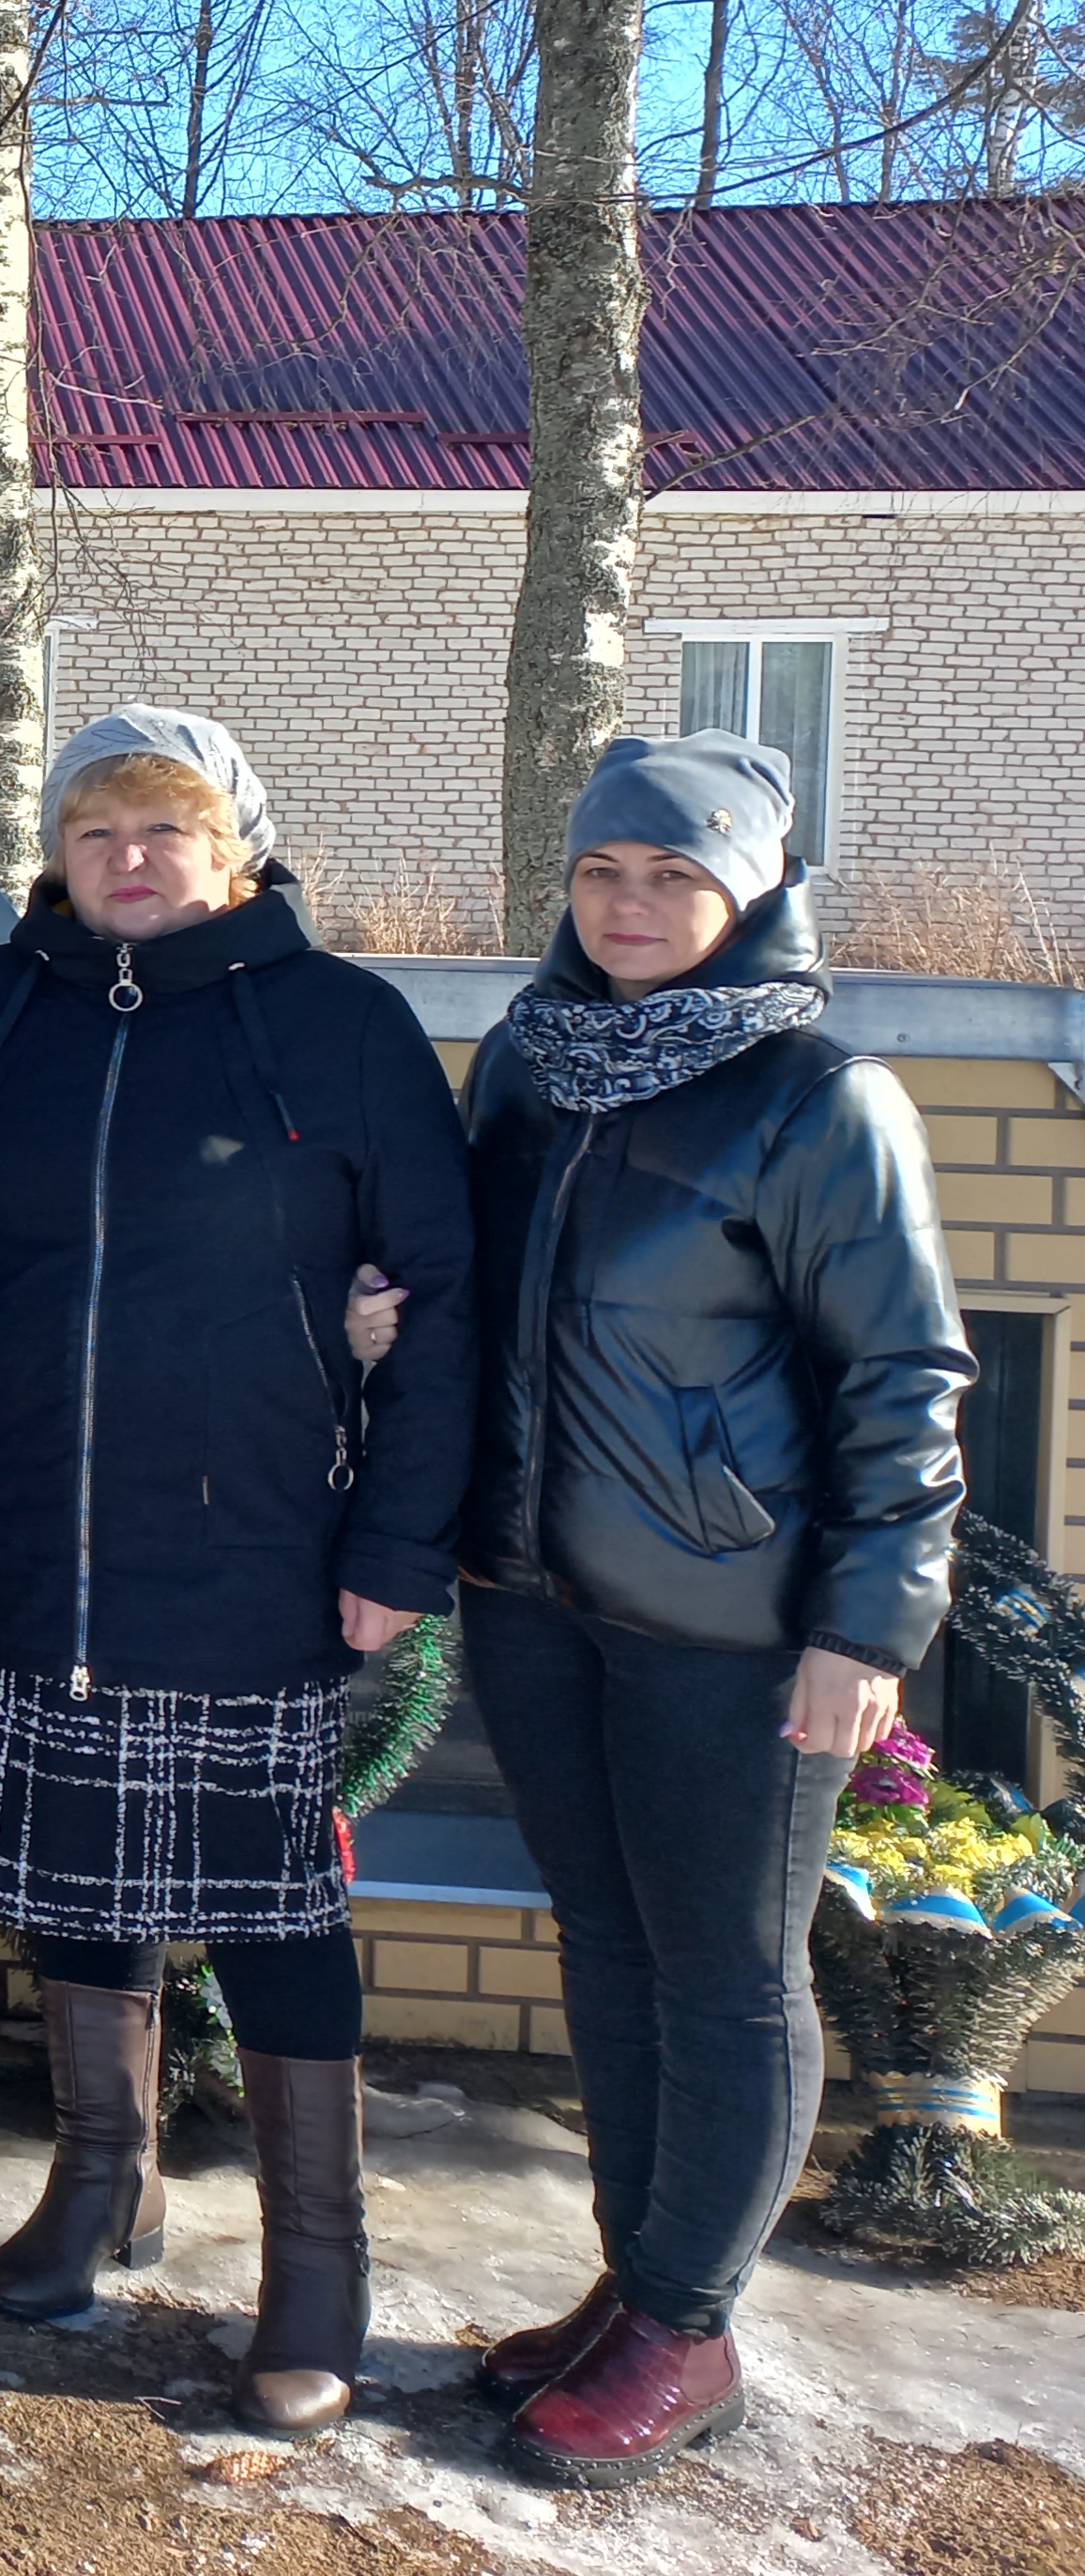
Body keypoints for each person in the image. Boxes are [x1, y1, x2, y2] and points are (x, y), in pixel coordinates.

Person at [0, 708, 477, 2431]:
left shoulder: (343, 1026)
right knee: (70, 1882)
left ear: (240, 846)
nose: (132, 859)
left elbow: (432, 1299)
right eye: (98, 830)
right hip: (20, 1540)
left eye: (171, 828)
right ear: (58, 854)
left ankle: (319, 2266)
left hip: (254, 1544)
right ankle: (105, 2175)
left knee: (273, 1904)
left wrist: (398, 1544)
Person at [455, 732, 968, 2488]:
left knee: (733, 1977)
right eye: (604, 872)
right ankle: (636, 2285)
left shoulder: (822, 1099)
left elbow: (904, 1379)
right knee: (611, 1954)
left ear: (751, 890)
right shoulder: (530, 1064)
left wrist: (866, 1629)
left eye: (677, 875)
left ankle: (690, 2327)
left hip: (739, 1625)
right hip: (535, 1599)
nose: (633, 905)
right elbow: (472, 1290)